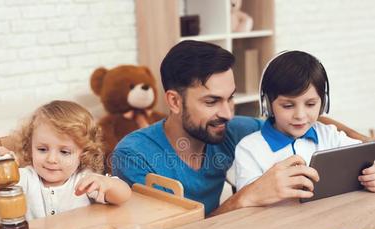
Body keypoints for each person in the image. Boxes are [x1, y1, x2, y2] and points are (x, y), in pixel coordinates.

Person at [111, 40, 371, 216]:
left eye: (230, 98)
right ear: (175, 101)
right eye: (212, 101)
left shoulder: (230, 129)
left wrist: (364, 145)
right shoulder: (135, 155)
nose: (227, 113)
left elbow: (297, 122)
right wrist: (245, 197)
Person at [234, 50, 375, 193]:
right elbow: (247, 204)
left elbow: (366, 156)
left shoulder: (330, 135)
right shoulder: (248, 149)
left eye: (310, 104)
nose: (300, 116)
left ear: (323, 103)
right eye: (288, 106)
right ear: (268, 105)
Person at [0, 100, 131, 220]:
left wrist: (108, 184)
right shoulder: (26, 178)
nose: (52, 159)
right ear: (30, 147)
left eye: (64, 152)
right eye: (42, 149)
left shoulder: (84, 180)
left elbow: (124, 195)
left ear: (83, 153)